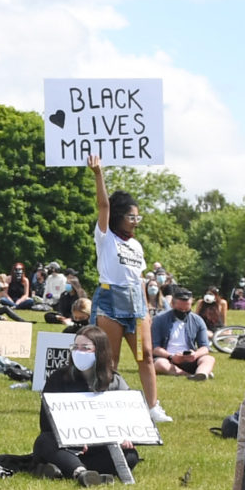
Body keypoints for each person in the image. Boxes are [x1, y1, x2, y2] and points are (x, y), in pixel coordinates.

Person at [86, 156, 163, 423]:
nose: (136, 221)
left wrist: (147, 311)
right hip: (110, 300)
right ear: (119, 216)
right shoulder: (105, 238)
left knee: (146, 356)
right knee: (111, 358)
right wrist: (98, 174)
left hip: (136, 304)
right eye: (132, 216)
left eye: (138, 216)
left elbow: (139, 278)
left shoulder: (136, 246)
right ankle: (104, 402)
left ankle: (153, 407)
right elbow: (103, 204)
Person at [32, 326, 142, 485]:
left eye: (85, 348)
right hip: (67, 446)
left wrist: (127, 437)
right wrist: (73, 439)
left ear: (100, 351)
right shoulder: (58, 378)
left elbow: (130, 417)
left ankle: (61, 469)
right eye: (76, 347)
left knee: (131, 455)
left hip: (101, 447)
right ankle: (81, 473)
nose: (79, 352)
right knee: (44, 441)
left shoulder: (115, 381)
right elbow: (47, 424)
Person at [149, 288, 215, 380]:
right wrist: (171, 357)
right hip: (167, 358)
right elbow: (155, 348)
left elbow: (205, 347)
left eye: (187, 309)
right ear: (172, 304)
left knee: (209, 359)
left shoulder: (197, 320)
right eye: (180, 309)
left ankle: (201, 373)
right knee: (160, 364)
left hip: (190, 358)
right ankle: (188, 374)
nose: (183, 311)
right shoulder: (159, 319)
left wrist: (195, 355)